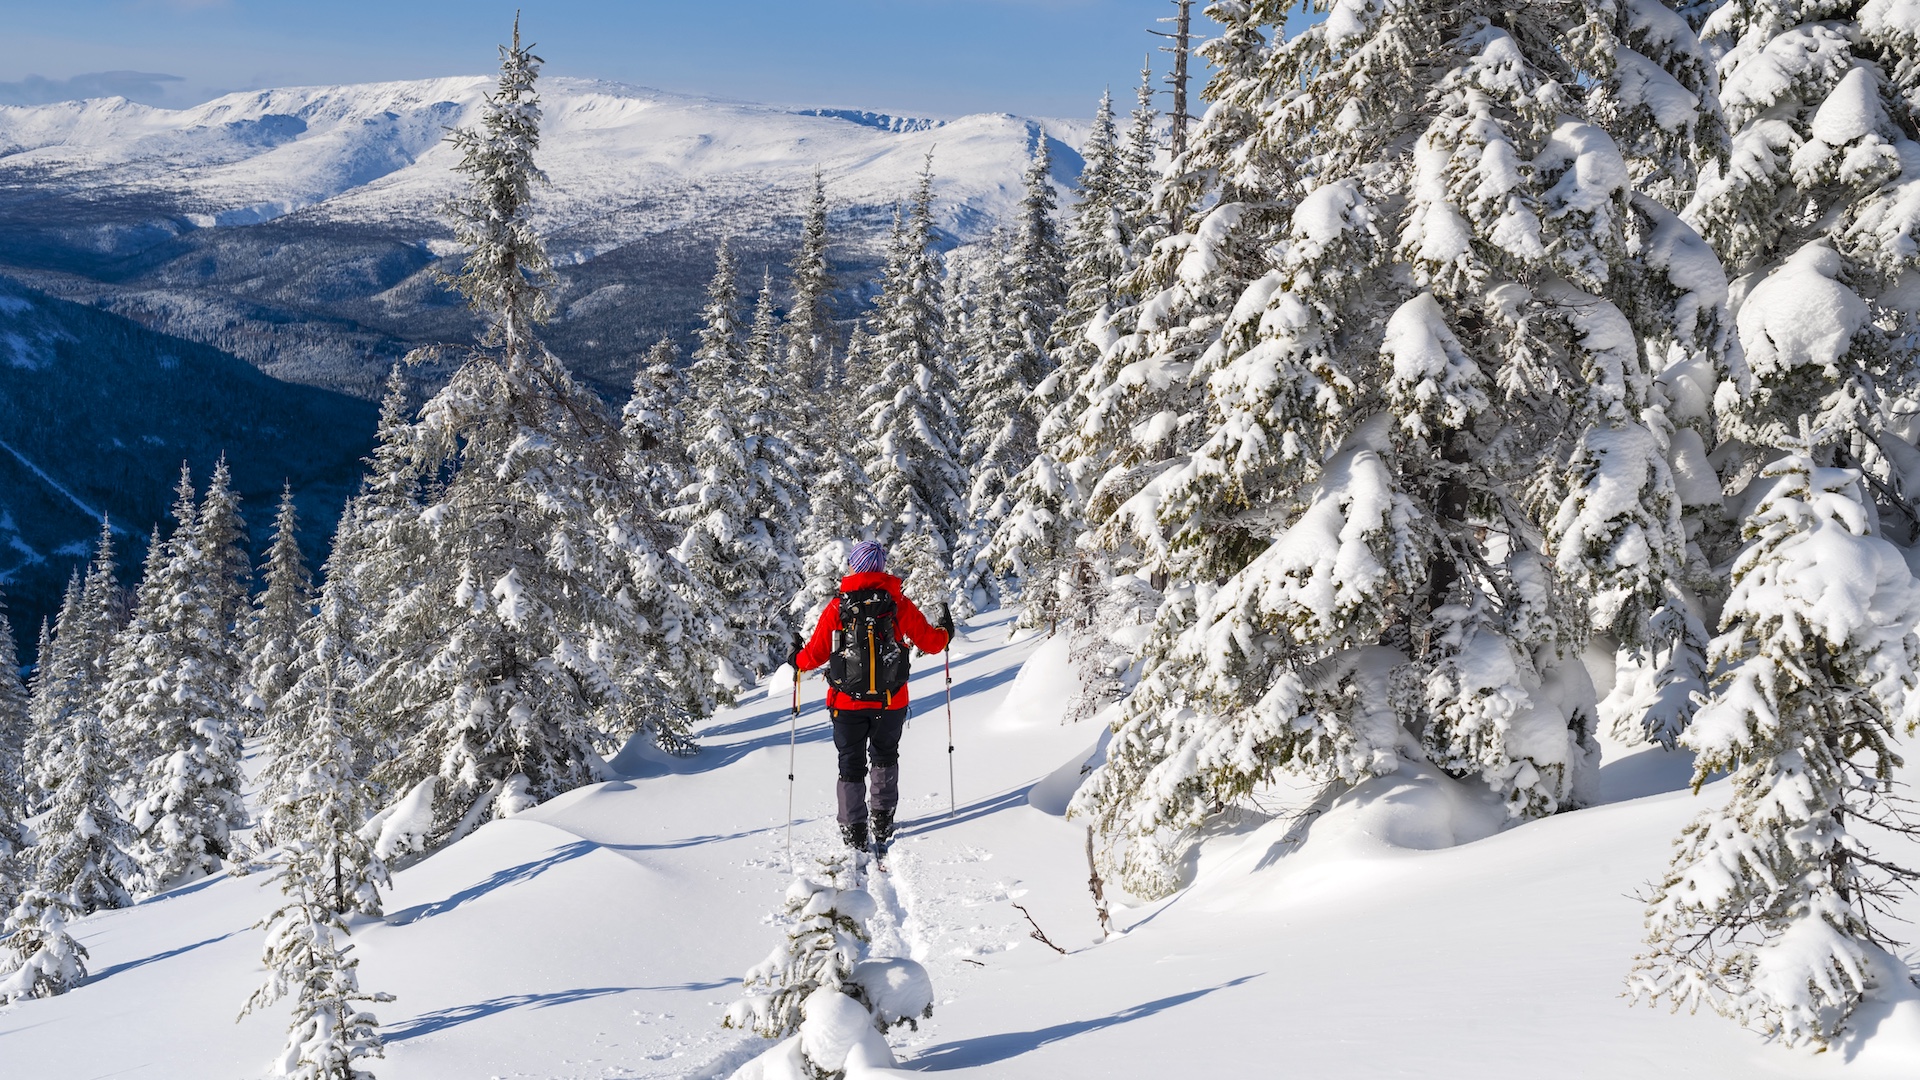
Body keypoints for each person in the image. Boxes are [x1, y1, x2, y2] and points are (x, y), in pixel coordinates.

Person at [790, 540, 954, 857]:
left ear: (854, 567)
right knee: (885, 756)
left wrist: (795, 657)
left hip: (846, 703)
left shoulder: (838, 607)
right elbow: (932, 643)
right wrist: (946, 631)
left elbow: (814, 656)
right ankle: (882, 819)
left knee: (850, 764)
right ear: (881, 568)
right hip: (891, 702)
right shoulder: (898, 604)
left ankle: (853, 830)